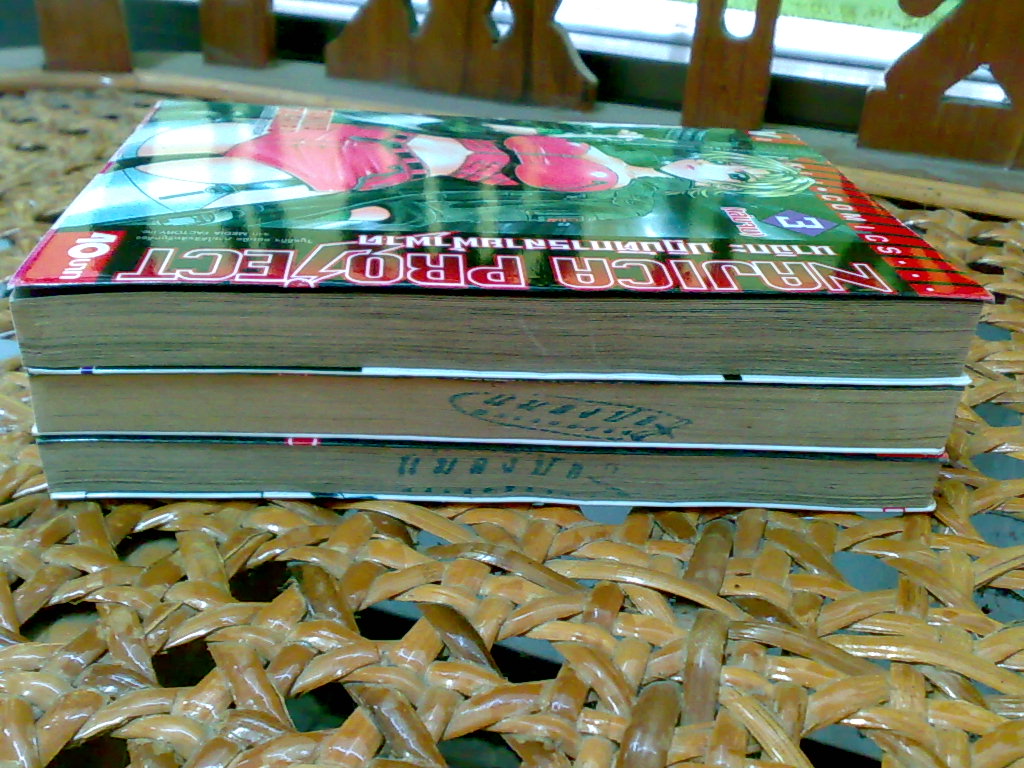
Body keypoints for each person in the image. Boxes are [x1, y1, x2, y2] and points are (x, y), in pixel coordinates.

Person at [58, 109, 815, 232]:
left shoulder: (615, 192)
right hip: (379, 139)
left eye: (730, 180)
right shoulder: (624, 149)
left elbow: (496, 196)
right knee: (162, 150)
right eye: (729, 165)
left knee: (179, 190)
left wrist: (386, 211)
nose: (713, 167)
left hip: (384, 172)